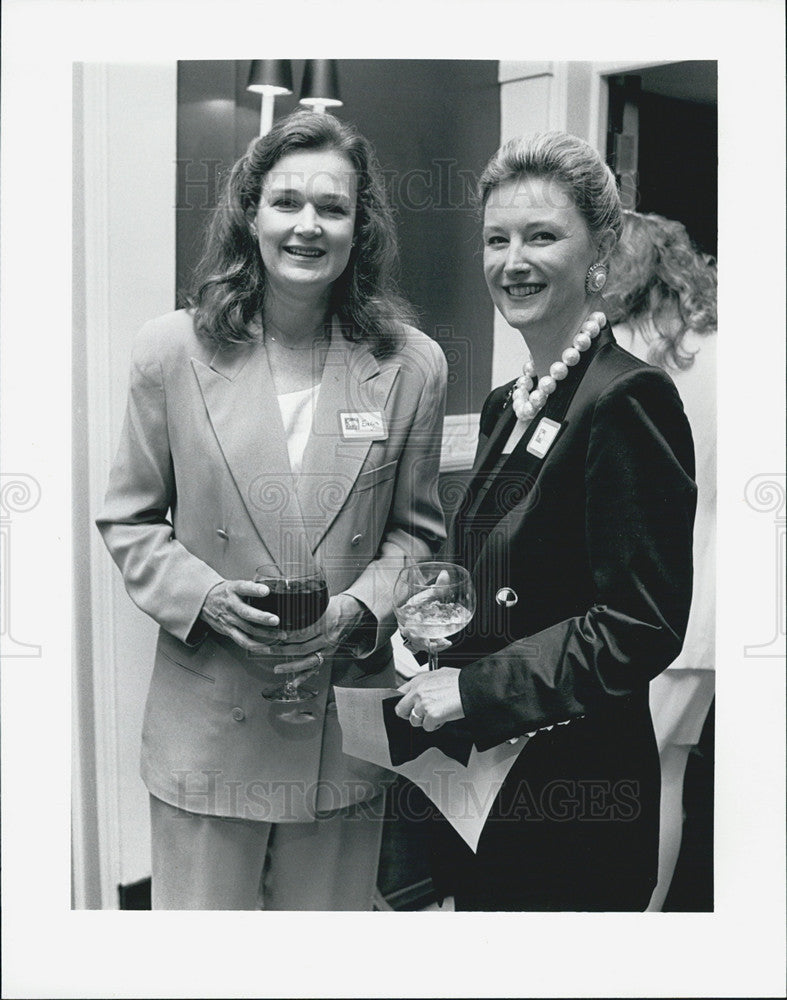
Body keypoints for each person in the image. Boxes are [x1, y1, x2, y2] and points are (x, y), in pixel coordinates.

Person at [97, 110, 447, 910]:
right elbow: (130, 517)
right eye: (287, 202)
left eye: (333, 206)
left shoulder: (412, 364)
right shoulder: (170, 350)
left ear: (361, 228)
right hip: (210, 719)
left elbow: (417, 535)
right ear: (249, 213)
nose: (307, 225)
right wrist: (205, 597)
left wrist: (359, 609)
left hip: (338, 724)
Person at [396, 131, 697, 911]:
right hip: (483, 790)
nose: (511, 261)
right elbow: (509, 577)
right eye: (496, 239)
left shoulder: (626, 399)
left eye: (541, 236)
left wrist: (476, 690)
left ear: (597, 253)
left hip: (575, 803)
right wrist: (431, 622)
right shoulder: (510, 402)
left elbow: (639, 623)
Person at [605, 210, 716, 910]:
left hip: (662, 593)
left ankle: (628, 926)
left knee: (633, 779)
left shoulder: (632, 349)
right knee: (668, 773)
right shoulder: (723, 344)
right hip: (720, 600)